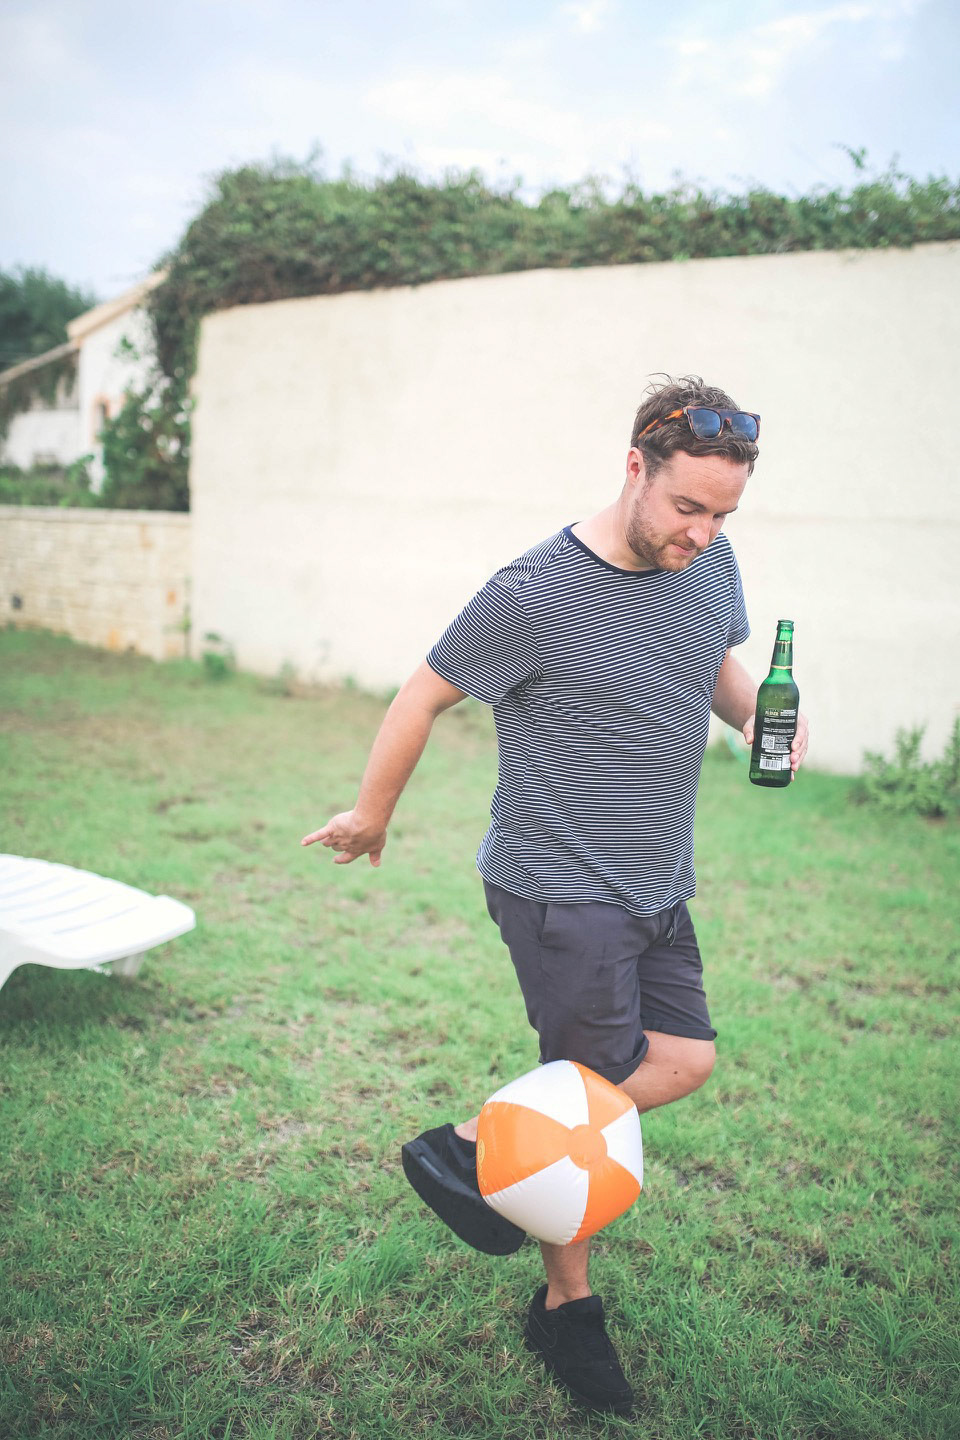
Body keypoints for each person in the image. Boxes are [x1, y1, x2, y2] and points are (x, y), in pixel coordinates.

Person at [301, 375, 809, 1416]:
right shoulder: (533, 592)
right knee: (586, 1092)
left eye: (723, 515)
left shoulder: (709, 561)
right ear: (634, 467)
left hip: (658, 875)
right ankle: (566, 1308)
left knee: (684, 1059)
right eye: (688, 507)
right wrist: (372, 814)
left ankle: (479, 1150)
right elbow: (422, 693)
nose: (704, 533)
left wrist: (764, 720)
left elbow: (714, 661)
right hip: (562, 888)